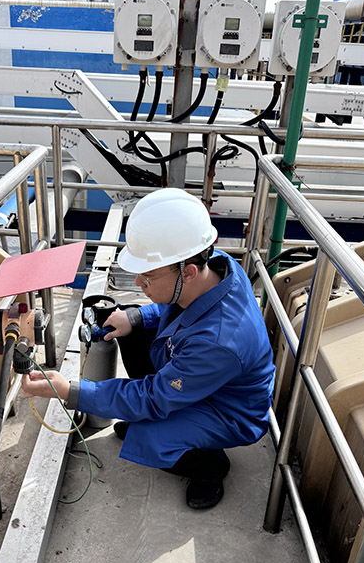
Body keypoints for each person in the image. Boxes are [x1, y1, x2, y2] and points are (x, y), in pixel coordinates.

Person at [21, 188, 275, 510]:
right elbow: (177, 306)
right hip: (205, 378)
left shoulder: (219, 342)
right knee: (130, 325)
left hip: (229, 411)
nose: (139, 283)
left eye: (148, 275)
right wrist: (137, 317)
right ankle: (162, 419)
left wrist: (71, 391)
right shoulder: (215, 266)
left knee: (151, 439)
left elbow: (152, 398)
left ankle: (209, 464)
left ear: (188, 272)